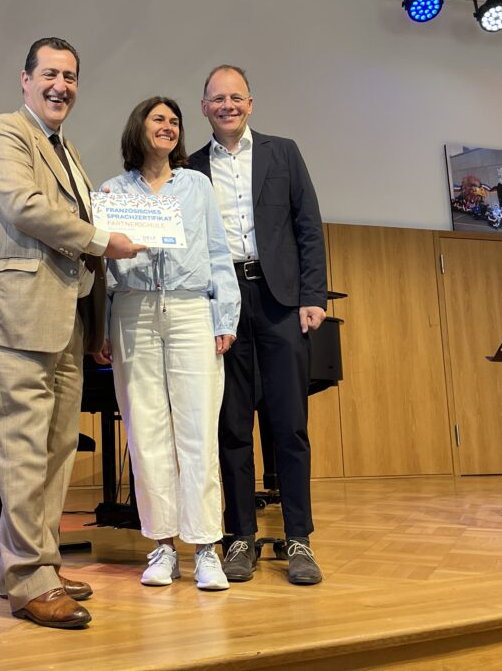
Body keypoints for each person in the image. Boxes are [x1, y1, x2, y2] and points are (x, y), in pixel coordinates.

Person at [0, 36, 145, 630]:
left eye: (70, 77)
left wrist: (97, 316)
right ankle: (27, 581)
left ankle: (40, 564)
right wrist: (101, 237)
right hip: (20, 316)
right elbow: (23, 207)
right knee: (22, 449)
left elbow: (80, 231)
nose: (60, 86)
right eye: (49, 74)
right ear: (25, 79)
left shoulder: (67, 151)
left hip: (68, 319)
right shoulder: (5, 132)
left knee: (55, 449)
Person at [187, 65, 328, 586]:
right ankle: (240, 536)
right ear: (204, 106)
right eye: (217, 99)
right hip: (221, 303)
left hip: (280, 301)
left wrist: (313, 295)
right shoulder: (190, 167)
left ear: (250, 103)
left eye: (236, 97)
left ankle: (299, 538)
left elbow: (307, 225)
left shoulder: (282, 153)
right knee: (231, 426)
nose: (227, 106)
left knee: (289, 424)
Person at [96, 97, 240, 591]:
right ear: (138, 127)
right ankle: (161, 546)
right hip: (132, 310)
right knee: (145, 432)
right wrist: (102, 327)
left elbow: (218, 252)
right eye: (159, 119)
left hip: (189, 308)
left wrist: (225, 315)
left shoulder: (196, 185)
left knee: (198, 430)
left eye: (175, 121)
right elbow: (104, 269)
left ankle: (206, 548)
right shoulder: (112, 191)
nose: (169, 126)